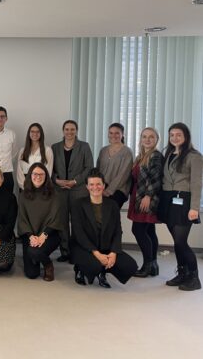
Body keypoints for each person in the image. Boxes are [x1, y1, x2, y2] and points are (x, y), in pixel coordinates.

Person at [70, 168, 137, 288]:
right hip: (83, 247)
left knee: (130, 266)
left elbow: (117, 231)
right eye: (91, 184)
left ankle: (103, 272)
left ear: (104, 185)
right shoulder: (78, 204)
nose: (95, 187)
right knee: (95, 265)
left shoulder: (112, 205)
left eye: (98, 184)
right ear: (87, 187)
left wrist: (113, 252)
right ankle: (80, 269)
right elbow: (79, 234)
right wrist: (97, 254)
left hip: (105, 246)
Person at [158, 123, 202, 291]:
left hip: (184, 200)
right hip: (168, 200)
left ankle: (194, 278)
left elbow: (197, 183)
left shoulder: (194, 156)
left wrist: (195, 208)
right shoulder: (169, 153)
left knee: (181, 242)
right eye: (172, 135)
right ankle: (182, 273)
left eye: (178, 135)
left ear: (186, 137)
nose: (175, 138)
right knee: (177, 243)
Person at [51, 119, 94, 262]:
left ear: (76, 131)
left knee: (77, 222)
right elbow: (49, 168)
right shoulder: (55, 147)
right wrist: (56, 180)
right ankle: (65, 252)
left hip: (78, 190)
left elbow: (89, 167)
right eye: (67, 129)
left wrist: (75, 181)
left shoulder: (84, 146)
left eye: (72, 129)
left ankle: (77, 253)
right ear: (63, 131)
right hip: (60, 190)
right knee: (62, 222)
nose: (69, 132)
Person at [17, 163, 62, 281]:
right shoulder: (23, 195)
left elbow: (56, 218)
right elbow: (22, 219)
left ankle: (48, 265)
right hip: (30, 235)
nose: (38, 177)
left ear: (46, 176)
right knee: (32, 274)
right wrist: (31, 237)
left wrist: (44, 235)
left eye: (41, 174)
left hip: (49, 235)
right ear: (30, 176)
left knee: (34, 252)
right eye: (35, 174)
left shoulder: (54, 195)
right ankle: (38, 256)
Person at [127, 127, 163, 277]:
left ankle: (147, 265)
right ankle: (153, 265)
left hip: (146, 198)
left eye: (151, 137)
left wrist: (148, 196)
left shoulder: (155, 156)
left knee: (138, 230)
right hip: (138, 196)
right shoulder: (141, 156)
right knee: (149, 231)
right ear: (140, 139)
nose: (147, 139)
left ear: (156, 140)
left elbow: (156, 178)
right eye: (144, 136)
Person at [96, 123, 134, 209]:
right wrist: (98, 188)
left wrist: (108, 191)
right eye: (111, 133)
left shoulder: (127, 152)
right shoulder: (103, 150)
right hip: (102, 187)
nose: (113, 135)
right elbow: (98, 170)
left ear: (122, 134)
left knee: (110, 214)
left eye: (117, 133)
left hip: (118, 189)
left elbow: (123, 175)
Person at [16, 123, 53, 190]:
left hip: (41, 186)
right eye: (32, 131)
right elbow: (19, 172)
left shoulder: (47, 150)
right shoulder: (22, 150)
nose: (35, 134)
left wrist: (40, 186)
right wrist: (24, 186)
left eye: (37, 132)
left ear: (41, 134)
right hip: (25, 186)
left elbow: (48, 171)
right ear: (29, 133)